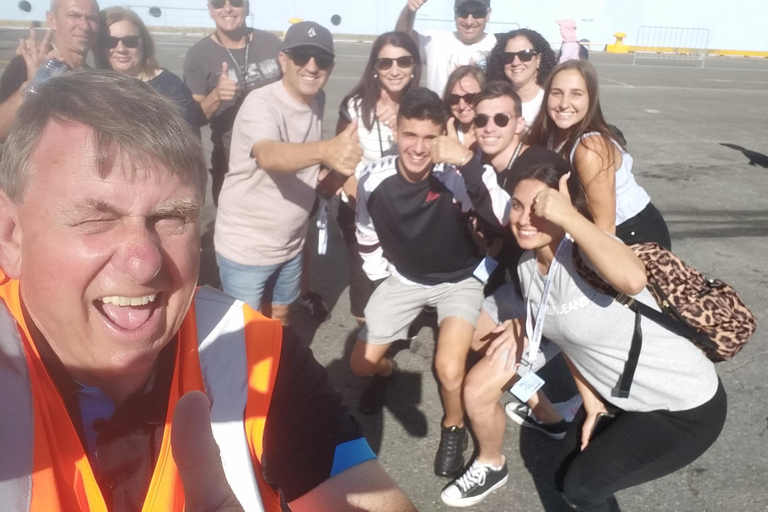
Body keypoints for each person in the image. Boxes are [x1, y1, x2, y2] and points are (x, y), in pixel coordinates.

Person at [0, 70, 417, 512]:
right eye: (95, 218)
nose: (145, 263)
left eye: (171, 217)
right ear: (11, 236)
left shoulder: (250, 349)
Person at [506, 156, 723, 511]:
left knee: (582, 489)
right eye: (517, 205)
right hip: (619, 398)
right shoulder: (526, 268)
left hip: (682, 405)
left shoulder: (588, 254)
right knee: (562, 475)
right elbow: (567, 342)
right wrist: (590, 401)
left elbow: (633, 279)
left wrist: (570, 218)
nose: (525, 218)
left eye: (540, 206)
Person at [350, 87, 509, 479]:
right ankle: (387, 374)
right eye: (410, 135)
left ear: (442, 137)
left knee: (450, 368)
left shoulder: (455, 175)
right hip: (404, 279)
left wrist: (467, 161)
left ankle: (452, 425)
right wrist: (382, 277)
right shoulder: (372, 179)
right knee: (359, 366)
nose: (418, 148)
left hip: (459, 280)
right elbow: (365, 231)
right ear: (396, 133)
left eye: (429, 137)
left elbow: (504, 216)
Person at [214, 21, 362, 327]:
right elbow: (268, 154)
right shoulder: (262, 104)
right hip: (247, 247)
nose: (311, 66)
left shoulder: (317, 100)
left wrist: (329, 175)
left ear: (330, 67)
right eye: (301, 56)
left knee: (282, 314)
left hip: (291, 243)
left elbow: (303, 155)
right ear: (283, 60)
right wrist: (327, 151)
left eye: (320, 59)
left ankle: (276, 370)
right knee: (244, 327)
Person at [527, 59, 671, 248]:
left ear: (591, 98)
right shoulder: (549, 135)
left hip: (632, 235)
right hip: (592, 229)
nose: (564, 103)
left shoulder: (590, 147)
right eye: (556, 93)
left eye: (576, 94)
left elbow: (605, 226)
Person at [336, 30, 422, 325]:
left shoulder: (423, 106)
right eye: (385, 63)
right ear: (374, 67)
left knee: (402, 276)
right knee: (362, 278)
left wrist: (401, 124)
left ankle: (397, 325)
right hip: (359, 209)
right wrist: (361, 201)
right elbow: (341, 163)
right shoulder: (355, 107)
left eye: (403, 61)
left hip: (406, 211)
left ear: (414, 66)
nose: (395, 70)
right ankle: (366, 342)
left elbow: (431, 159)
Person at [183, 0, 282, 205]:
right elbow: (194, 118)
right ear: (210, 10)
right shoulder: (197, 55)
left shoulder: (272, 44)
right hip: (230, 160)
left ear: (246, 7)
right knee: (234, 228)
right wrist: (216, 95)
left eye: (235, 2)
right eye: (219, 3)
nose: (227, 8)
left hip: (277, 151)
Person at [0, 0, 99, 141]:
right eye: (74, 15)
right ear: (52, 20)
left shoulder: (96, 79)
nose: (85, 26)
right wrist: (34, 85)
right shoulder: (27, 64)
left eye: (92, 18)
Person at [95, 6, 200, 136]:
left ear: (143, 44)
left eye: (130, 41)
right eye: (110, 41)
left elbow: (189, 143)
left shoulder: (170, 87)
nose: (121, 49)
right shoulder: (95, 87)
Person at [396, 0, 496, 95]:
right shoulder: (436, 42)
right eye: (463, 12)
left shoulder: (497, 46)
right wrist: (409, 10)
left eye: (478, 13)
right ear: (455, 13)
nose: (469, 22)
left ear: (488, 14)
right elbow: (401, 41)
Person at [485, 28, 557, 130]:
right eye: (508, 57)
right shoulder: (493, 101)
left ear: (538, 59)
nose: (515, 62)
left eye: (525, 55)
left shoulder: (552, 100)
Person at [442, 65, 485, 150]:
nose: (461, 106)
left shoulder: (494, 134)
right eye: (454, 98)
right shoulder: (442, 132)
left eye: (470, 98)